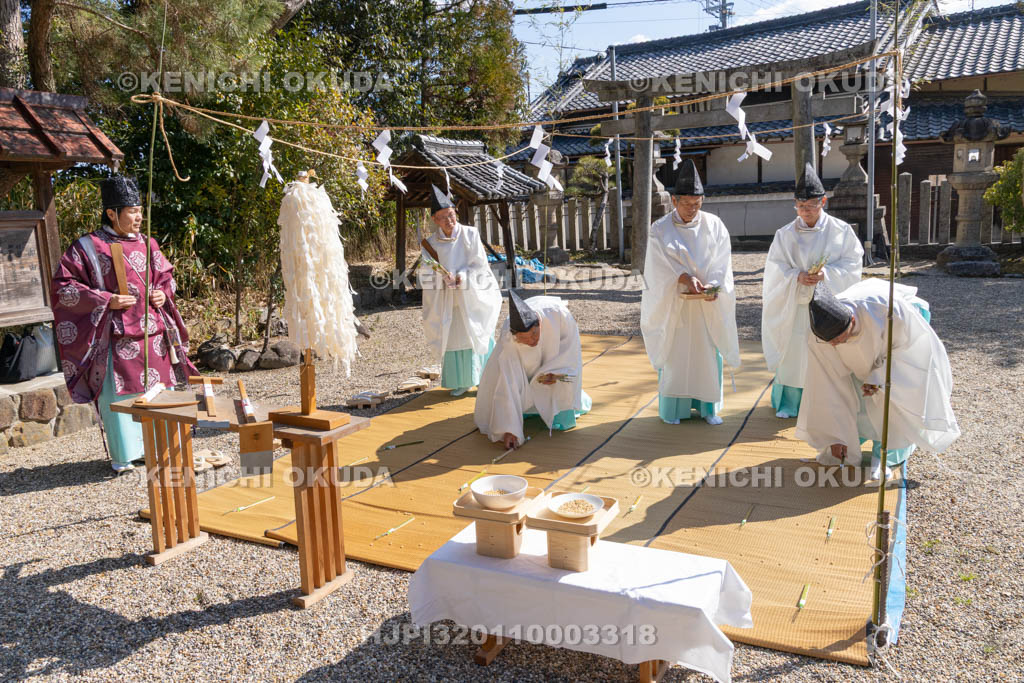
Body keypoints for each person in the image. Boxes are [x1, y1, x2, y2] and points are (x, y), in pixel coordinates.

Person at [51, 175, 197, 472]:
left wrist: (162, 293)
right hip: (114, 336)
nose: (138, 216)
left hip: (152, 334)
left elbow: (166, 278)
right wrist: (105, 299)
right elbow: (63, 288)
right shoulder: (86, 247)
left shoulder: (149, 243)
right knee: (120, 397)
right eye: (131, 211)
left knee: (158, 393)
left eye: (140, 210)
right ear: (111, 213)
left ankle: (157, 450)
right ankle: (125, 455)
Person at [795, 280, 960, 485]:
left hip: (899, 344)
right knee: (856, 396)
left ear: (852, 320)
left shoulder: (886, 310)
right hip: (860, 360)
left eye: (839, 340)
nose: (834, 345)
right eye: (831, 342)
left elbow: (910, 352)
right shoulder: (820, 337)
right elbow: (826, 386)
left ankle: (885, 454)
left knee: (888, 397)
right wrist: (835, 436)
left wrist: (878, 377)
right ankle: (851, 443)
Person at [640, 159, 740, 426]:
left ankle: (709, 408)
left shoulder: (715, 225)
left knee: (707, 355)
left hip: (705, 304)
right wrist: (683, 278)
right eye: (686, 204)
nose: (692, 210)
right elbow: (657, 269)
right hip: (676, 305)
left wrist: (713, 286)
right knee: (677, 355)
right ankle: (673, 410)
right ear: (674, 200)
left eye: (697, 204)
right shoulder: (660, 229)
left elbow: (723, 263)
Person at [761, 162, 863, 418]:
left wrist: (826, 275)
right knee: (795, 353)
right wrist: (796, 276)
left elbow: (853, 263)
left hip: (829, 304)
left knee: (827, 353)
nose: (805, 211)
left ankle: (826, 404)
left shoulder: (842, 231)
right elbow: (775, 267)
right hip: (796, 303)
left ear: (823, 202)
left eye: (811, 205)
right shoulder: (784, 234)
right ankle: (789, 404)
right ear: (795, 204)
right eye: (800, 206)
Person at [474, 290, 590, 450]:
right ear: (515, 337)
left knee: (563, 380)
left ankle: (562, 410)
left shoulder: (559, 315)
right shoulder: (509, 339)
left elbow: (570, 353)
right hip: (524, 361)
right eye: (525, 339)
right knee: (515, 379)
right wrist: (509, 429)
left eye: (535, 334)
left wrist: (557, 373)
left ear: (539, 323)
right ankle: (526, 411)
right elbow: (508, 383)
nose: (532, 340)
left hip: (557, 354)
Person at [417, 185, 501, 396]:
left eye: (451, 215)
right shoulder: (429, 244)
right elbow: (426, 272)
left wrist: (462, 277)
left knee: (476, 332)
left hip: (470, 296)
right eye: (443, 217)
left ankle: (485, 378)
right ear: (435, 220)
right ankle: (461, 381)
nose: (449, 220)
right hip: (446, 299)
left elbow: (479, 265)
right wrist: (441, 277)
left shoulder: (470, 235)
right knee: (454, 337)